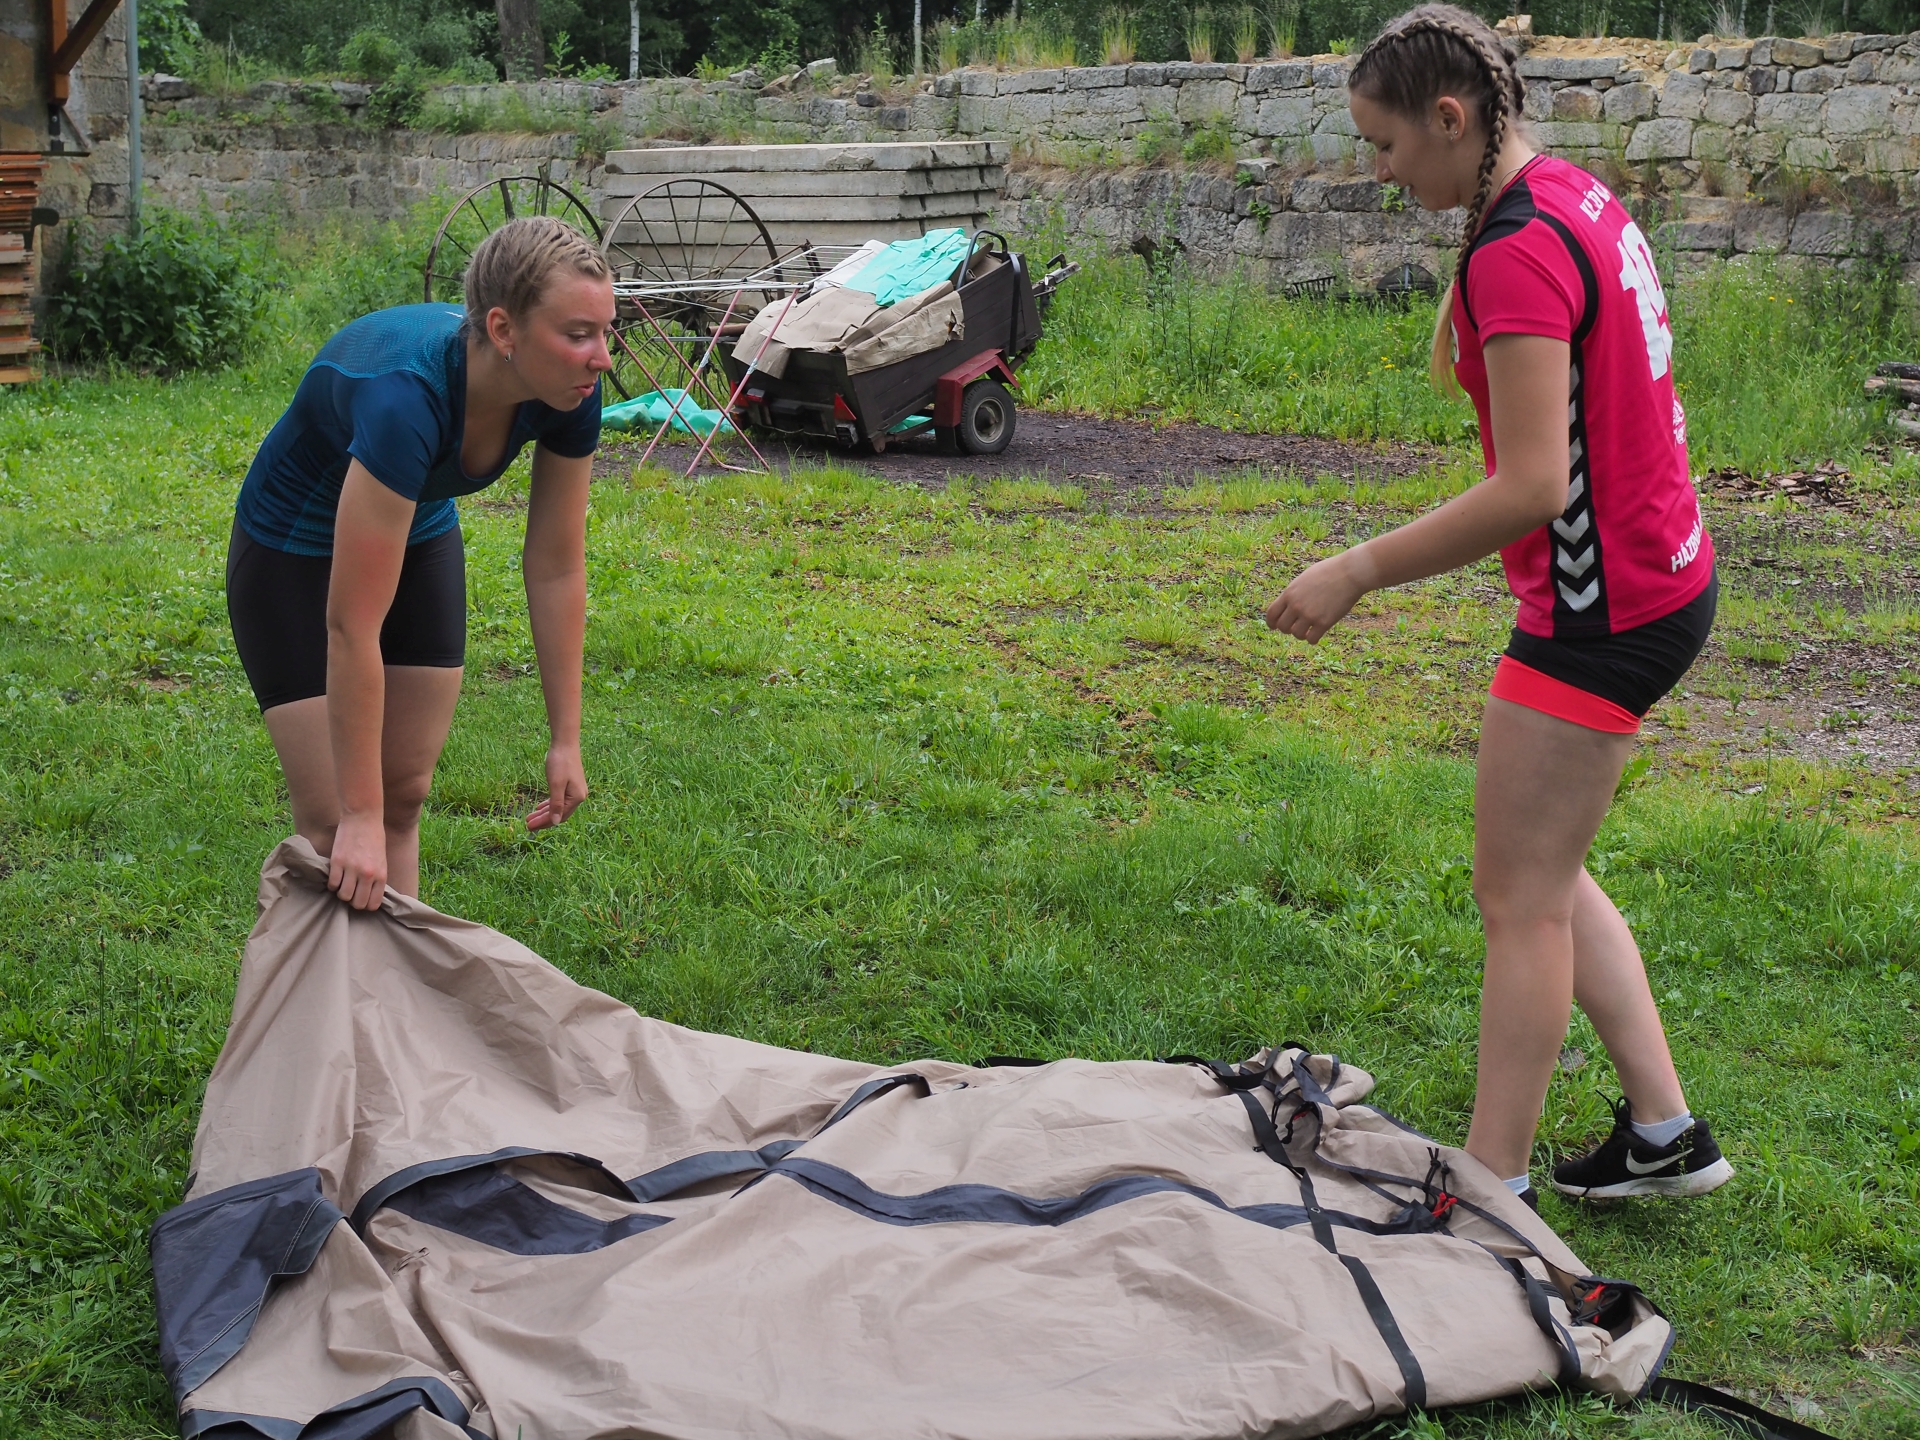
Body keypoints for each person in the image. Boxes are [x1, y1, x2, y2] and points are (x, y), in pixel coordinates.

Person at [1263, 5, 1732, 1204]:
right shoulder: (1572, 194)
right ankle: (1667, 1135)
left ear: (1450, 118)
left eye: (1384, 145)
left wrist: (1357, 568)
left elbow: (1532, 487)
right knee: (1546, 867)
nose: (1379, 172)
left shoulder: (1515, 248)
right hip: (1663, 576)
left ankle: (1491, 1193)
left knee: (1518, 901)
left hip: (1603, 613)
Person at [226, 216, 614, 911]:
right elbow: (352, 626)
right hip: (291, 545)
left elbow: (556, 565)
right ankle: (322, 983)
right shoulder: (406, 395)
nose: (602, 358)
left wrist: (566, 739)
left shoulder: (569, 391)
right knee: (335, 824)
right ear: (503, 330)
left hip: (416, 526)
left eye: (606, 331)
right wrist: (359, 815)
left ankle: (394, 980)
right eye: (579, 334)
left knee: (403, 795)